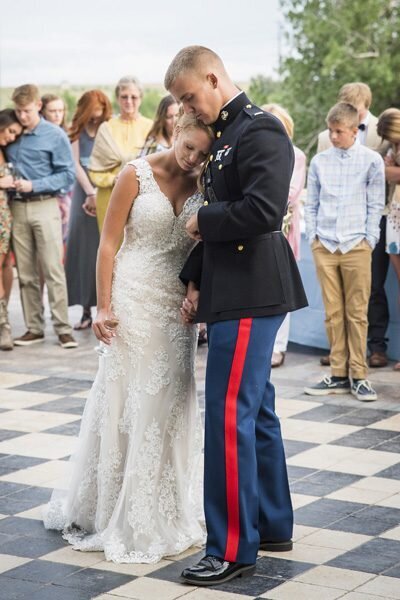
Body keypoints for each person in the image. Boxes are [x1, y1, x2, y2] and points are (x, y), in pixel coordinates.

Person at [43, 112, 214, 564]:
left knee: (170, 404)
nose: (193, 158)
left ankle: (163, 506)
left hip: (178, 308)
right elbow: (108, 243)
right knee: (127, 400)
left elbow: (203, 247)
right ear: (174, 132)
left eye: (202, 152)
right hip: (132, 297)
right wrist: (104, 305)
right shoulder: (135, 173)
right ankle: (110, 505)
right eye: (188, 147)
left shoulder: (207, 182)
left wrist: (195, 291)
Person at [165, 45, 307, 586]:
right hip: (235, 288)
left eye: (188, 96)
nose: (188, 107)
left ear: (212, 77)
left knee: (229, 417)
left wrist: (204, 218)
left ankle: (230, 549)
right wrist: (195, 279)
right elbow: (223, 221)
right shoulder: (227, 136)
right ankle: (271, 523)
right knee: (257, 411)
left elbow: (265, 211)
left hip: (252, 292)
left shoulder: (261, 130)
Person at [304, 102, 385, 401]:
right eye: (331, 130)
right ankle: (338, 374)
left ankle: (360, 376)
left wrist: (369, 240)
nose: (333, 136)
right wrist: (313, 236)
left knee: (357, 313)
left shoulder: (371, 161)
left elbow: (376, 204)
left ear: (354, 131)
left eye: (339, 131)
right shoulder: (320, 161)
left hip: (356, 245)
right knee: (332, 312)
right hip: (324, 243)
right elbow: (311, 202)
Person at [317, 83, 390, 368]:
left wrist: (370, 236)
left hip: (369, 224)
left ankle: (376, 346)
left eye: (358, 110)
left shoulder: (378, 131)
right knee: (334, 302)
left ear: (365, 109)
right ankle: (338, 352)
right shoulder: (326, 138)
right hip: (331, 232)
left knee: (373, 288)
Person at [5, 84, 77, 349]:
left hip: (45, 204)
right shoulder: (12, 133)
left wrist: (33, 184)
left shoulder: (54, 134)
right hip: (17, 207)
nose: (22, 116)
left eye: (26, 111)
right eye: (18, 111)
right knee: (25, 272)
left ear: (37, 105)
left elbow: (67, 175)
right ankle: (34, 328)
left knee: (53, 268)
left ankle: (63, 329)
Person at [262, 103, 306, 368]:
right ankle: (266, 344)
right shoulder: (258, 153)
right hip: (261, 230)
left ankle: (279, 346)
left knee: (282, 287)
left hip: (285, 230)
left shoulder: (296, 155)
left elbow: (289, 193)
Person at [66, 90, 112, 330]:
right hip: (83, 193)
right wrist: (90, 192)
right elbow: (74, 164)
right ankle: (85, 309)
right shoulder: (75, 131)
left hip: (106, 190)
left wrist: (99, 191)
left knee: (103, 247)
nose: (96, 118)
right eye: (92, 114)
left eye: (100, 113)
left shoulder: (109, 129)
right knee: (82, 249)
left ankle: (106, 306)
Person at [88, 76, 153, 232]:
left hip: (141, 198)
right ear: (117, 98)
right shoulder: (106, 128)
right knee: (111, 247)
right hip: (109, 196)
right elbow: (95, 168)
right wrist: (112, 179)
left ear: (141, 99)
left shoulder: (151, 127)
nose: (129, 101)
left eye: (134, 97)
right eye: (124, 97)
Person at [377, 108, 400, 371]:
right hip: (394, 217)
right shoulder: (392, 147)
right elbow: (386, 174)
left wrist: (394, 171)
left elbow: (391, 173)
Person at [0, 110, 23, 350]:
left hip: (4, 215)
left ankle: (3, 322)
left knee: (6, 264)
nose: (11, 138)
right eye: (10, 132)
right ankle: (2, 326)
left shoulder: (4, 151)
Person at [41, 93, 71, 245]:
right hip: (48, 196)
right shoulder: (41, 137)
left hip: (67, 195)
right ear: (43, 112)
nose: (58, 114)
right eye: (53, 111)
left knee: (63, 241)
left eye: (60, 110)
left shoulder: (67, 134)